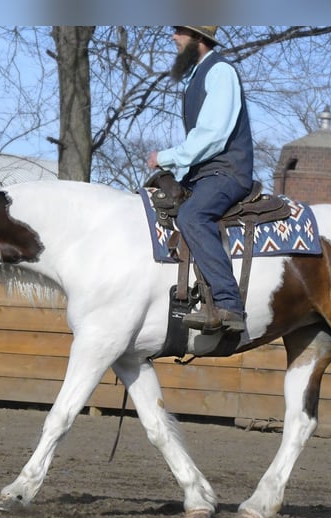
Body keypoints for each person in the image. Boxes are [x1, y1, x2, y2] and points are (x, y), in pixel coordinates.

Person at [147, 26, 254, 334]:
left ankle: (228, 304)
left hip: (227, 172)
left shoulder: (220, 72)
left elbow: (212, 135)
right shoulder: (197, 77)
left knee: (192, 216)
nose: (173, 37)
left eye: (180, 31)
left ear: (198, 39)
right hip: (204, 175)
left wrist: (166, 158)